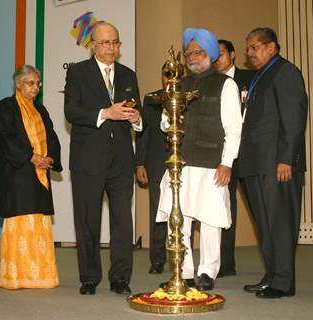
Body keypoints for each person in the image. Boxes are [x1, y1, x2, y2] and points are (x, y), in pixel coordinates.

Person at [157, 28, 242, 291]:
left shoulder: (225, 84)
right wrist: (171, 118)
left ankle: (207, 271)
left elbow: (234, 128)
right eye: (189, 52)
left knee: (209, 219)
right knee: (179, 216)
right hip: (181, 163)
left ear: (210, 54)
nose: (193, 57)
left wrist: (227, 162)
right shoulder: (178, 85)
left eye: (198, 52)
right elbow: (164, 123)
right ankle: (184, 271)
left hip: (213, 164)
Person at [64, 21, 142, 295]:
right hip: (88, 159)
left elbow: (138, 113)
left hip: (121, 160)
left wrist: (136, 119)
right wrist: (104, 113)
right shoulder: (77, 73)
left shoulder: (128, 75)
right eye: (106, 43)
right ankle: (89, 277)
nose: (112, 48)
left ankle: (120, 277)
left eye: (116, 42)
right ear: (93, 45)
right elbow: (71, 112)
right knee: (87, 220)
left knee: (123, 221)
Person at [239, 27, 307, 299]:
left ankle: (284, 282)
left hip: (277, 164)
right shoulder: (260, 76)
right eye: (249, 48)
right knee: (265, 224)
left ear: (272, 47)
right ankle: (272, 274)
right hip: (256, 163)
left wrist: (286, 159)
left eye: (255, 47)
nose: (250, 53)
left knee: (280, 222)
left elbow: (293, 120)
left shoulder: (286, 72)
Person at [0, 65, 62, 290]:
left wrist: (49, 158)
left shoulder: (40, 110)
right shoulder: (6, 107)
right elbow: (7, 139)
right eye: (30, 83)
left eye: (37, 83)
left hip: (40, 172)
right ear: (18, 84)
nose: (35, 88)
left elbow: (51, 135)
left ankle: (41, 276)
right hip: (17, 173)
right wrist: (31, 157)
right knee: (20, 220)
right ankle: (16, 276)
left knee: (39, 220)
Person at [213, 39, 254, 278]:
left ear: (233, 54)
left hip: (249, 154)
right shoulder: (210, 82)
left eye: (220, 54)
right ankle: (225, 264)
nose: (217, 59)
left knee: (259, 208)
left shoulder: (250, 78)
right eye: (213, 55)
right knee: (224, 208)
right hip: (223, 154)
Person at [135, 66, 170, 275]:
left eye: (174, 74)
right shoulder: (151, 99)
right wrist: (140, 163)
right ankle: (157, 259)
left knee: (185, 213)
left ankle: (183, 261)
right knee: (158, 211)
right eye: (166, 74)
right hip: (156, 163)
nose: (169, 78)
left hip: (185, 164)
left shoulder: (190, 96)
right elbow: (143, 134)